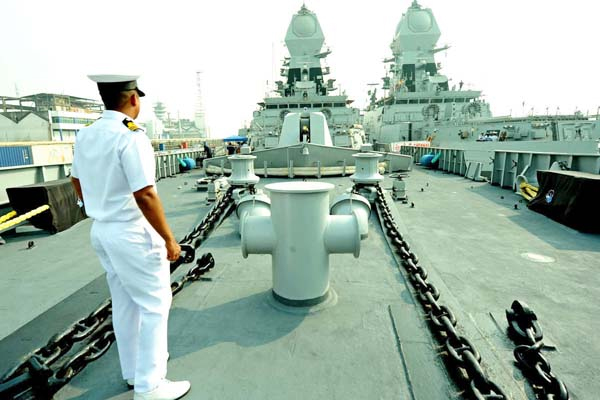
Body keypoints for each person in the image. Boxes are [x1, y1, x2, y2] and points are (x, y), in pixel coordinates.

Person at [70, 74, 190, 400]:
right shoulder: (131, 136)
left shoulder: (87, 134)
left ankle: (134, 372)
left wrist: (94, 204)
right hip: (131, 232)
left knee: (125, 304)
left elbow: (75, 179)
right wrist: (169, 240)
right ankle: (150, 386)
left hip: (102, 231)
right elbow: (145, 194)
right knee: (155, 304)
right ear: (134, 98)